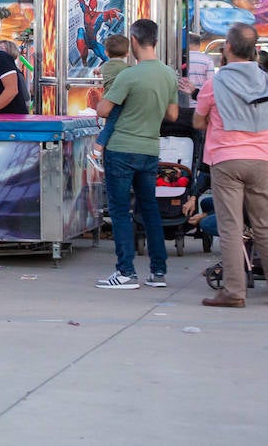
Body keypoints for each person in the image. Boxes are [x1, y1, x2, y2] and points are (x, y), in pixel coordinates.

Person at [94, 18, 179, 290]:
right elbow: (173, 114)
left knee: (120, 212)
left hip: (121, 149)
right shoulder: (168, 75)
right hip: (150, 150)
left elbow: (104, 110)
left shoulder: (128, 75)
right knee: (150, 210)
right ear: (155, 40)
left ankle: (126, 272)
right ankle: (158, 272)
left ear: (133, 41)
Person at [192, 23, 268, 307]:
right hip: (262, 159)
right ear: (255, 50)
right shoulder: (266, 80)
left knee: (231, 227)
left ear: (229, 48)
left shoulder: (216, 83)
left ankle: (234, 291)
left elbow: (199, 121)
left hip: (226, 159)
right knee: (264, 225)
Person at [94, 34, 131, 152]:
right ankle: (99, 145)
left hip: (108, 99)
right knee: (113, 123)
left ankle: (100, 146)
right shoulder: (127, 68)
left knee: (110, 123)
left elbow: (98, 70)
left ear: (106, 53)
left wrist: (97, 71)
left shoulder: (105, 66)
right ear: (127, 53)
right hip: (121, 99)